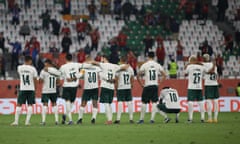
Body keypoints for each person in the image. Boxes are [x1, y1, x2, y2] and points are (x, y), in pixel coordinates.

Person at [91, 55, 126, 125]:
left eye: (102, 58)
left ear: (104, 58)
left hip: (105, 86)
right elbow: (124, 67)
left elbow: (94, 62)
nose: (101, 59)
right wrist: (127, 65)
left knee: (106, 103)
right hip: (111, 87)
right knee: (109, 104)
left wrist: (90, 61)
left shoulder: (103, 65)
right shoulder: (114, 66)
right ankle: (110, 118)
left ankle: (109, 120)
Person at [137, 52, 167, 124]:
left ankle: (141, 119)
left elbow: (138, 75)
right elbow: (164, 75)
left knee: (144, 102)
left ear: (148, 56)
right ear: (154, 57)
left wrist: (141, 84)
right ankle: (152, 119)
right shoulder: (157, 65)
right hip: (155, 85)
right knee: (154, 102)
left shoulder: (145, 65)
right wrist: (159, 83)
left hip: (147, 85)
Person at [184, 55, 213, 123]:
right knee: (201, 102)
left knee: (190, 103)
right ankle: (202, 118)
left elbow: (185, 73)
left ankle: (190, 119)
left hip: (191, 87)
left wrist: (189, 64)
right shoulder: (201, 66)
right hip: (199, 87)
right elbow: (208, 72)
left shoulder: (189, 66)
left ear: (191, 61)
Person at [11, 55, 38, 126]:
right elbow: (35, 80)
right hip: (31, 89)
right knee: (30, 105)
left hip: (23, 88)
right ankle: (27, 122)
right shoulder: (33, 69)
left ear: (24, 60)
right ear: (30, 61)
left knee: (19, 104)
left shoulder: (19, 68)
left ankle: (16, 122)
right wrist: (36, 89)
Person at [77, 55, 101, 124]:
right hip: (95, 87)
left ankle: (80, 119)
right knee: (95, 103)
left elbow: (80, 75)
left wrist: (75, 78)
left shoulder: (84, 68)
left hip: (87, 88)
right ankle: (93, 118)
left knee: (83, 103)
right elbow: (100, 76)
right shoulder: (96, 68)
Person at [59, 54, 83, 125]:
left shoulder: (63, 67)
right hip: (74, 86)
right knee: (71, 102)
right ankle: (70, 120)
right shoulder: (77, 65)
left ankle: (65, 115)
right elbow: (83, 71)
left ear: (65, 59)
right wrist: (76, 78)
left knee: (68, 102)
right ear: (72, 58)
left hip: (66, 86)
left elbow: (60, 78)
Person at [39, 59, 61, 125]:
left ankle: (43, 121)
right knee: (54, 104)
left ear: (48, 63)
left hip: (45, 91)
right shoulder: (56, 71)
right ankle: (57, 120)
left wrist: (41, 79)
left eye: (45, 63)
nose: (44, 64)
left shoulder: (43, 71)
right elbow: (58, 82)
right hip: (53, 90)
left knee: (45, 104)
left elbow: (40, 81)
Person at [114, 56, 134, 124]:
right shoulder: (130, 68)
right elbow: (132, 78)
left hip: (121, 87)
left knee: (120, 102)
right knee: (129, 102)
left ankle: (118, 119)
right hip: (128, 87)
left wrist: (116, 87)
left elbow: (116, 79)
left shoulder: (118, 67)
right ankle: (131, 119)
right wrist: (131, 85)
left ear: (121, 60)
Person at [202, 54, 219, 123]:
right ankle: (215, 118)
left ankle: (210, 118)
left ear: (204, 59)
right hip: (215, 84)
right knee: (216, 101)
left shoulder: (204, 65)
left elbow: (208, 72)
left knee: (208, 101)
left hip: (208, 84)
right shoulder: (214, 65)